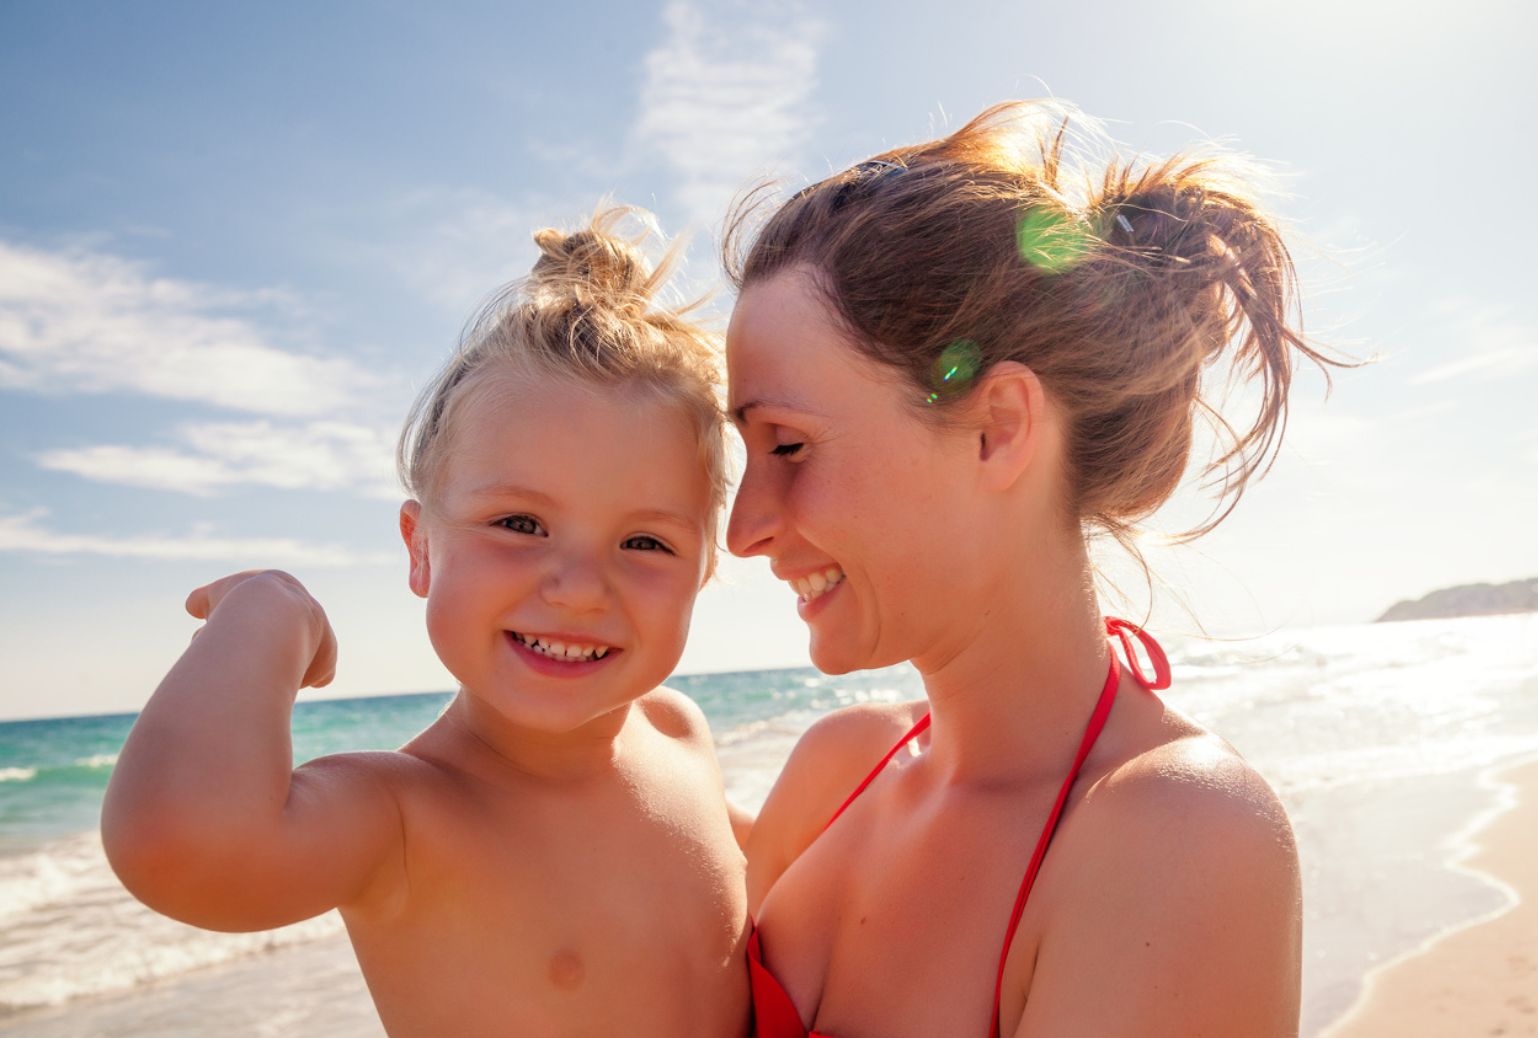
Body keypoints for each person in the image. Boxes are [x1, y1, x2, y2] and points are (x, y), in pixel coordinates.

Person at [724, 101, 1344, 1037]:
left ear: (998, 428)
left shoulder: (1177, 837)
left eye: (788, 446)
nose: (743, 529)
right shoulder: (835, 769)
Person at [101, 209, 750, 1038]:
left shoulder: (680, 734)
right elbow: (178, 845)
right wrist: (267, 613)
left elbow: (787, 889)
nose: (582, 588)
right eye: (519, 524)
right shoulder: (402, 818)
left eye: (645, 541)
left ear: (704, 570)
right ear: (421, 550)